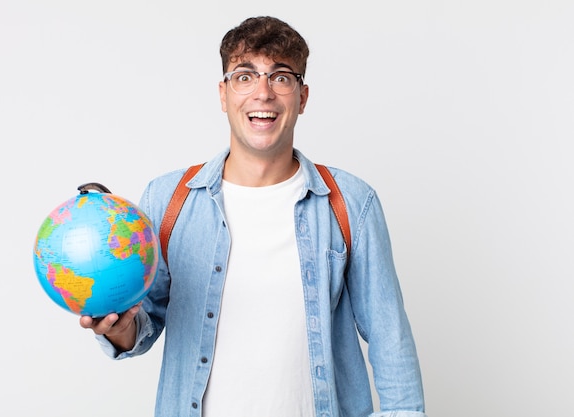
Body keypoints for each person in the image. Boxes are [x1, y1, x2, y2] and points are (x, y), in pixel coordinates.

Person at [80, 16, 427, 417]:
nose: (263, 93)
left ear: (302, 96)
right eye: (245, 76)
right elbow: (143, 323)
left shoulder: (350, 203)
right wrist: (118, 326)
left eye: (281, 77)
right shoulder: (168, 200)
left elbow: (391, 342)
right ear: (223, 94)